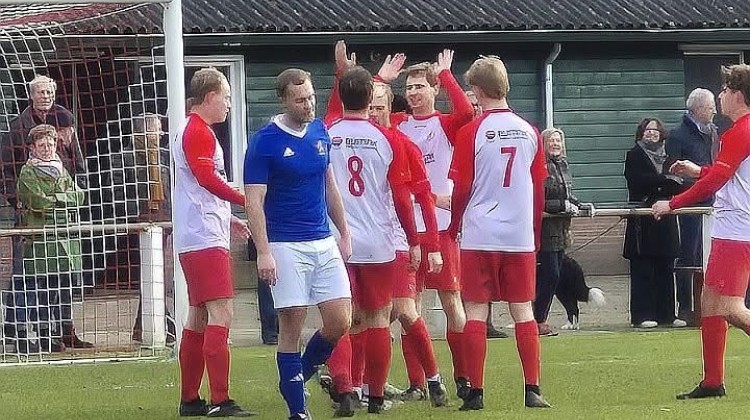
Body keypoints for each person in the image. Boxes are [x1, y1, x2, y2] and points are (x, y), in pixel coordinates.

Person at [244, 68, 352, 420]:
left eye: (310, 97)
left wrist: (344, 232)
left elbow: (330, 185)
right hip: (286, 245)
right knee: (292, 326)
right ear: (284, 100)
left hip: (322, 241)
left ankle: (296, 375)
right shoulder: (265, 142)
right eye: (300, 99)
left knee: (340, 320)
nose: (308, 104)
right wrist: (263, 252)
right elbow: (254, 202)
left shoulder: (320, 132)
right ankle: (298, 411)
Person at [448, 55, 551, 410]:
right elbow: (539, 191)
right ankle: (533, 389)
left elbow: (461, 188)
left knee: (476, 310)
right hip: (518, 236)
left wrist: (453, 224)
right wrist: (534, 233)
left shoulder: (470, 132)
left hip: (480, 233)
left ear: (476, 91)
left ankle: (475, 392)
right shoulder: (530, 131)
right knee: (522, 310)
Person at [377, 48, 475, 397]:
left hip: (441, 227)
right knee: (408, 307)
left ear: (433, 90)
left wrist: (447, 74)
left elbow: (465, 110)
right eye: (411, 87)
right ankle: (418, 383)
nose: (414, 92)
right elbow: (369, 111)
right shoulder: (399, 124)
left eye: (421, 86)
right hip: (404, 228)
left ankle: (464, 377)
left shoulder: (445, 124)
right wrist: (381, 79)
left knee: (452, 301)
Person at [653, 64, 750, 400]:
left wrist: (673, 203)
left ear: (737, 94)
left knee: (730, 308)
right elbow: (728, 175)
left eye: (724, 90)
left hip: (737, 230)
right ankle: (713, 382)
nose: (720, 96)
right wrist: (699, 171)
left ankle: (713, 381)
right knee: (710, 304)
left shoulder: (741, 131)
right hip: (736, 228)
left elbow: (720, 180)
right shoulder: (740, 131)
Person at [172, 67, 253, 417]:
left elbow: (198, 186)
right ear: (210, 97)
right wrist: (246, 201)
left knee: (198, 315)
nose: (229, 105)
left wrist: (228, 216)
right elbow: (206, 179)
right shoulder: (198, 132)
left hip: (198, 232)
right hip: (203, 237)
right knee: (222, 311)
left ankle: (190, 400)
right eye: (227, 97)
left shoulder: (191, 131)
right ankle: (221, 400)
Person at [369, 79, 449, 404]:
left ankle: (434, 380)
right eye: (370, 106)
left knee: (404, 309)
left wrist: (429, 244)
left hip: (400, 240)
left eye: (379, 106)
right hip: (363, 243)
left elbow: (422, 197)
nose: (374, 113)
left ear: (390, 108)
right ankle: (361, 385)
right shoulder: (351, 141)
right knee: (362, 316)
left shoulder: (402, 145)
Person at [5, 125, 89, 353]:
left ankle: (48, 335)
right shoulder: (28, 172)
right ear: (33, 147)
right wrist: (61, 202)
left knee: (55, 288)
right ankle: (21, 336)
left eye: (50, 144)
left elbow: (78, 196)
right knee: (31, 289)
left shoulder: (62, 169)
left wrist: (57, 200)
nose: (47, 149)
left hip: (62, 239)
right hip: (37, 240)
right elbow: (38, 202)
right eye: (42, 145)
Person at [624, 118, 686, 329]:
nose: (652, 133)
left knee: (666, 267)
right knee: (644, 268)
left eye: (655, 130)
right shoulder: (634, 155)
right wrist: (664, 183)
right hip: (643, 220)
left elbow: (679, 184)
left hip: (666, 219)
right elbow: (637, 181)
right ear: (641, 133)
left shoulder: (669, 157)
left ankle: (667, 314)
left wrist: (662, 185)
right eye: (647, 130)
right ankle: (642, 314)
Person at [535, 128, 594, 335]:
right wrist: (561, 205)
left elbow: (568, 194)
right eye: (551, 140)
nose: (555, 144)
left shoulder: (564, 165)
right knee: (549, 275)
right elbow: (539, 198)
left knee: (556, 275)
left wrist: (581, 205)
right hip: (545, 230)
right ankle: (537, 319)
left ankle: (539, 318)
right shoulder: (540, 166)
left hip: (561, 229)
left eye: (558, 140)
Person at [666, 88, 719, 325]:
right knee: (689, 253)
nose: (714, 111)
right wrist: (698, 180)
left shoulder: (714, 133)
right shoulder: (678, 135)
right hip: (691, 204)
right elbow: (672, 171)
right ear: (698, 109)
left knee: (710, 254)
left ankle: (708, 304)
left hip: (714, 203)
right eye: (710, 108)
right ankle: (685, 307)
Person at [465, 88, 507, 340]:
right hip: (468, 216)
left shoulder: (495, 132)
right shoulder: (465, 132)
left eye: (477, 104)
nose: (475, 109)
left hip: (495, 217)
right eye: (471, 105)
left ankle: (485, 323)